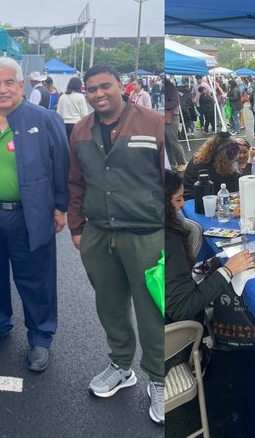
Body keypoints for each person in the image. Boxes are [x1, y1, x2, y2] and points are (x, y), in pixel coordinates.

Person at [67, 65, 168, 422]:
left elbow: (170, 181)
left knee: (152, 311)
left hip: (146, 235)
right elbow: (76, 183)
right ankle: (122, 365)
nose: (98, 94)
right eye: (91, 89)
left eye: (104, 86)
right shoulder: (81, 130)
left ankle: (160, 378)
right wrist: (77, 229)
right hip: (98, 234)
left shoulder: (154, 123)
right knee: (109, 306)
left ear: (120, 87)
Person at [0, 56, 69, 372]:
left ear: (22, 86)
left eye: (10, 82)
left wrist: (60, 206)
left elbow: (62, 165)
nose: (2, 89)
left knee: (36, 279)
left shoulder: (45, 119)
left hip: (30, 215)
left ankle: (40, 336)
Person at [164, 168, 255, 327]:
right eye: (178, 199)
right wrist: (228, 270)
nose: (183, 204)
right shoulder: (169, 242)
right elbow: (182, 309)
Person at [182, 134, 255, 203]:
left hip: (187, 199)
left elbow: (221, 138)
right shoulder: (217, 170)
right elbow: (243, 181)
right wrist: (250, 159)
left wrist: (231, 142)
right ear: (224, 156)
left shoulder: (198, 159)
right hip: (197, 204)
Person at [57, 76, 93, 143]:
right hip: (77, 124)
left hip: (64, 125)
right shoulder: (80, 96)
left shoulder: (62, 97)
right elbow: (84, 114)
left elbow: (58, 113)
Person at [159, 77, 184, 169]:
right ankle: (172, 163)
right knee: (168, 142)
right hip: (167, 116)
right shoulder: (167, 87)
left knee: (173, 141)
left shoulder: (170, 87)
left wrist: (165, 105)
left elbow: (175, 102)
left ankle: (181, 162)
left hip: (172, 116)